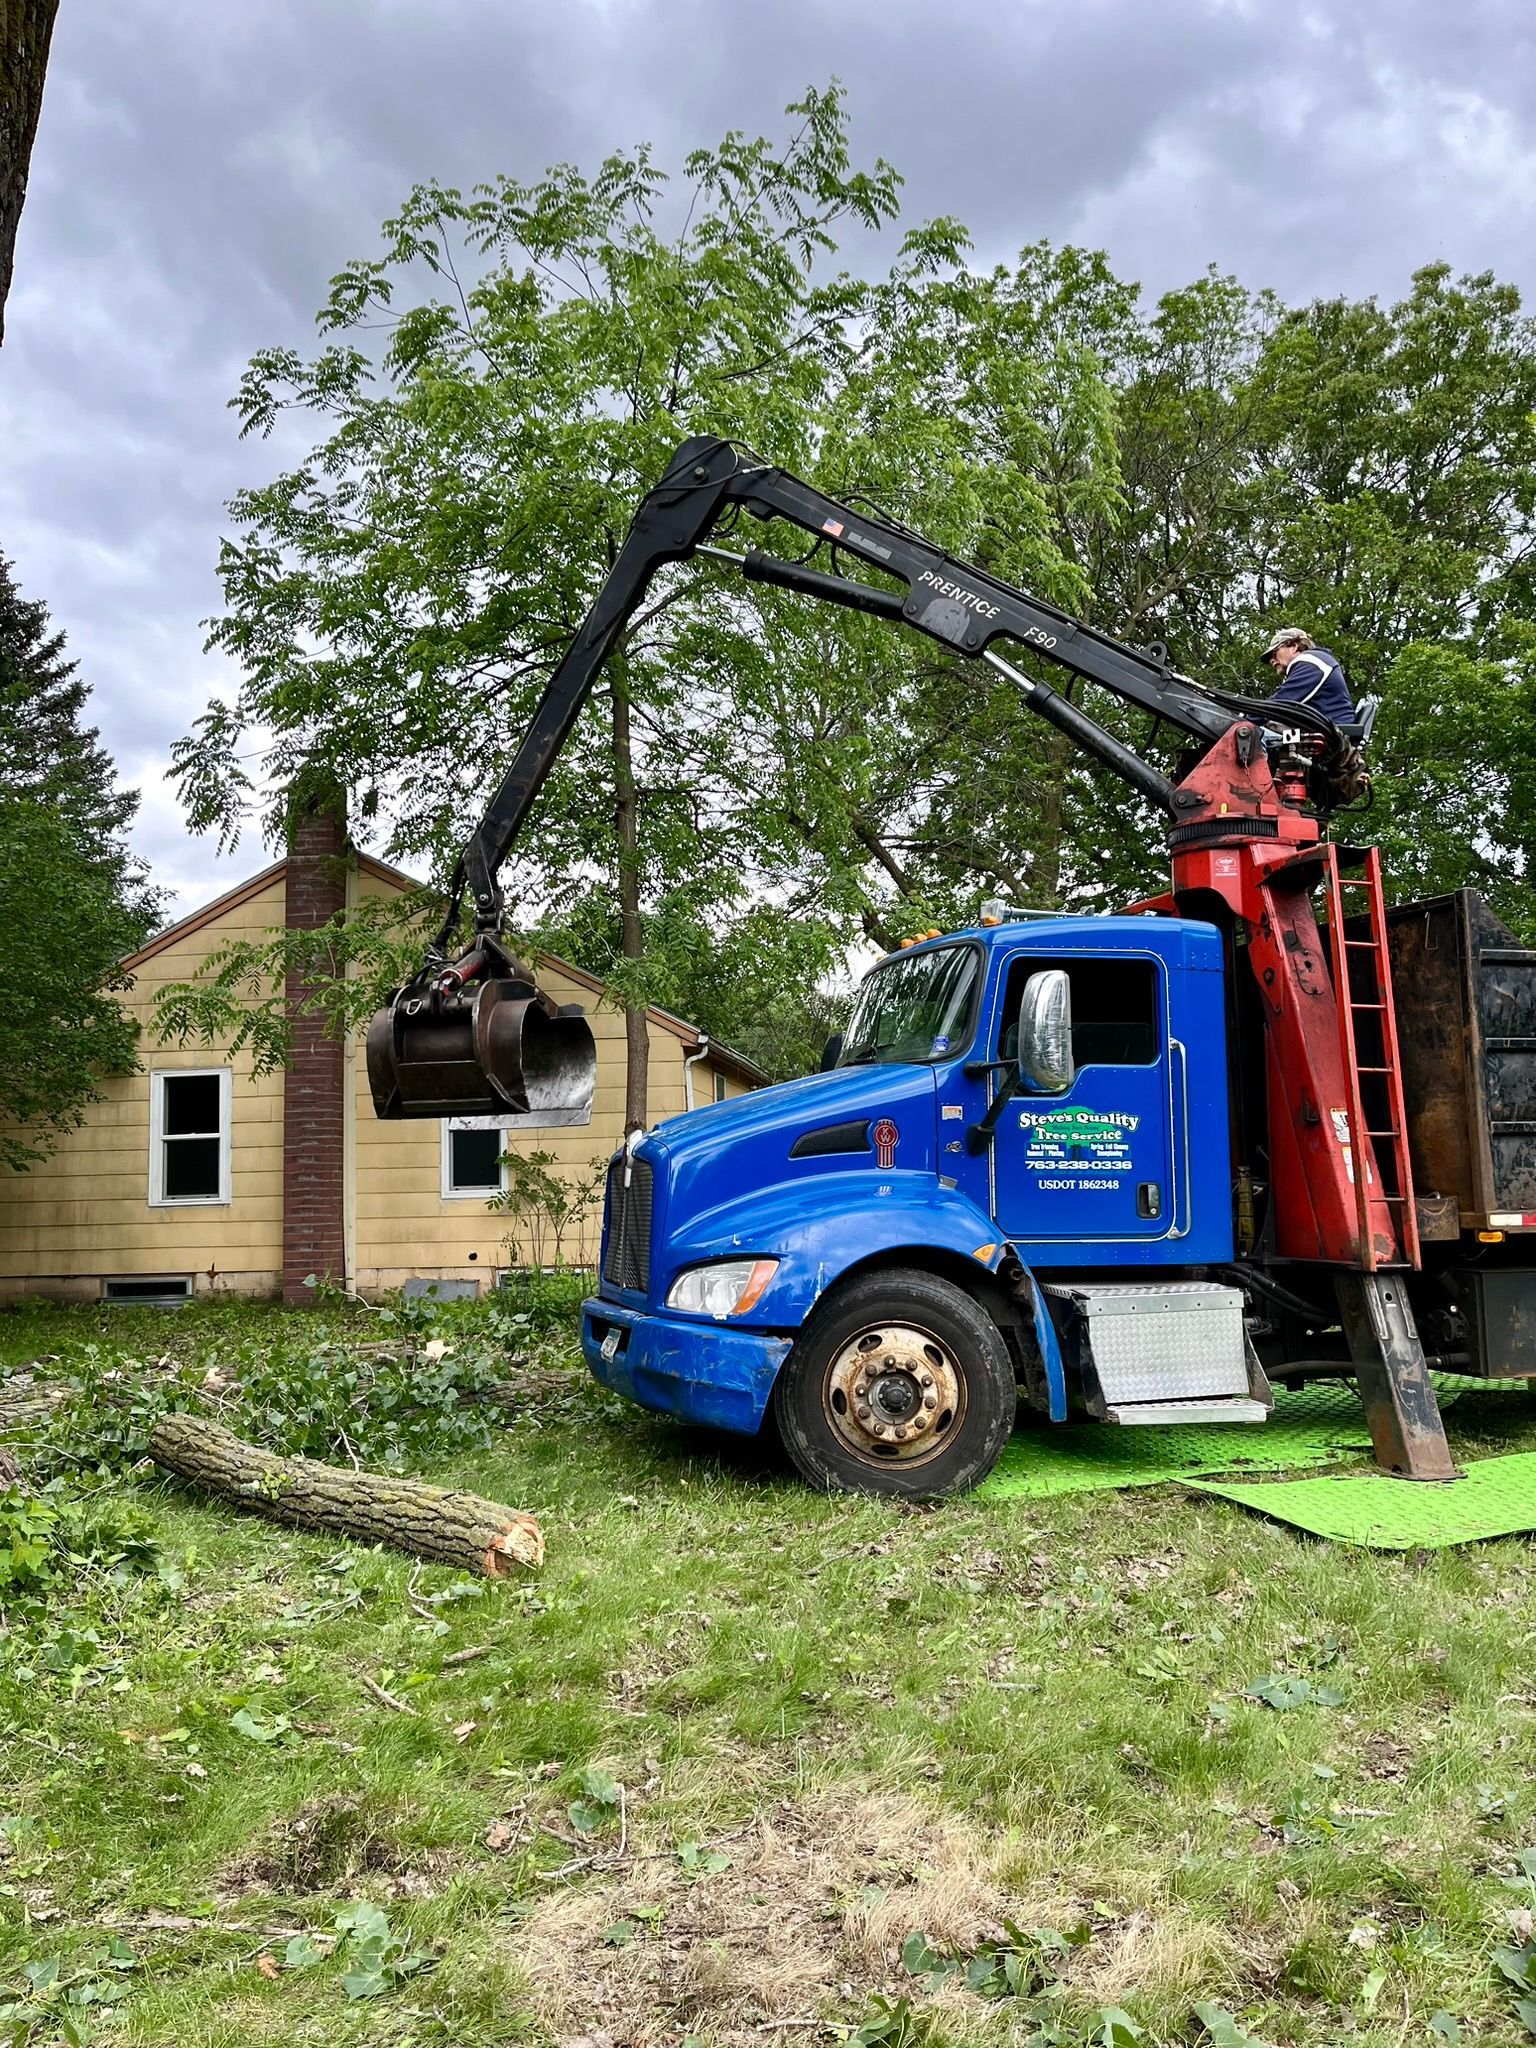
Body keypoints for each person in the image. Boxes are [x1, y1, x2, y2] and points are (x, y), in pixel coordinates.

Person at [1261, 627, 1355, 725]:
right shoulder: (1312, 663)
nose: (1271, 660)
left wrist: (1251, 718)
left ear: (1294, 647)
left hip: (1333, 730)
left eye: (1274, 653)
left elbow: (1281, 701)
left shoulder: (1311, 662)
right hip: (1322, 727)